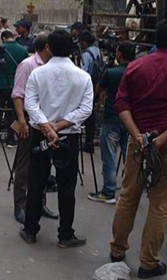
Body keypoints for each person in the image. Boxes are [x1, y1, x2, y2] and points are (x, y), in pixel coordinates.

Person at [109, 19, 167, 278]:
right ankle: (148, 263)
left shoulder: (135, 67)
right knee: (160, 206)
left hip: (138, 144)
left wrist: (137, 135)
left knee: (128, 197)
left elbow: (121, 103)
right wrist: (162, 139)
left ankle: (117, 250)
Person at [19, 30, 92, 248]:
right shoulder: (83, 77)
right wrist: (59, 127)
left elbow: (29, 104)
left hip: (40, 134)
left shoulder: (38, 74)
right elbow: (85, 109)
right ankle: (65, 234)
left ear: (48, 47)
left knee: (36, 182)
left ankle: (30, 230)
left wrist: (48, 127)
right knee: (67, 186)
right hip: (68, 137)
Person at [10, 33, 54, 223]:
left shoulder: (52, 66)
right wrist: (21, 121)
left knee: (44, 163)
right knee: (24, 165)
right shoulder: (28, 65)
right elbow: (18, 94)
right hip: (29, 120)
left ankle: (39, 202)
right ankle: (20, 205)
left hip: (47, 121)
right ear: (46, 47)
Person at [89, 41, 135, 204]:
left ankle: (108, 190)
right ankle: (132, 189)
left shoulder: (111, 73)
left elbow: (97, 90)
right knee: (130, 156)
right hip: (132, 120)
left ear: (120, 54)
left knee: (109, 156)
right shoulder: (138, 73)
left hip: (112, 117)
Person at [0, 30, 28, 146]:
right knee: (13, 112)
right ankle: (11, 138)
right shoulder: (23, 50)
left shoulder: (0, 49)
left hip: (0, 84)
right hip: (16, 84)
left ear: (3, 38)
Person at [79, 30, 102, 154]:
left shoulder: (87, 54)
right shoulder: (97, 50)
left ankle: (87, 142)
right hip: (96, 84)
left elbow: (83, 71)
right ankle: (89, 140)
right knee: (91, 114)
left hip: (88, 85)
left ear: (84, 42)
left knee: (86, 113)